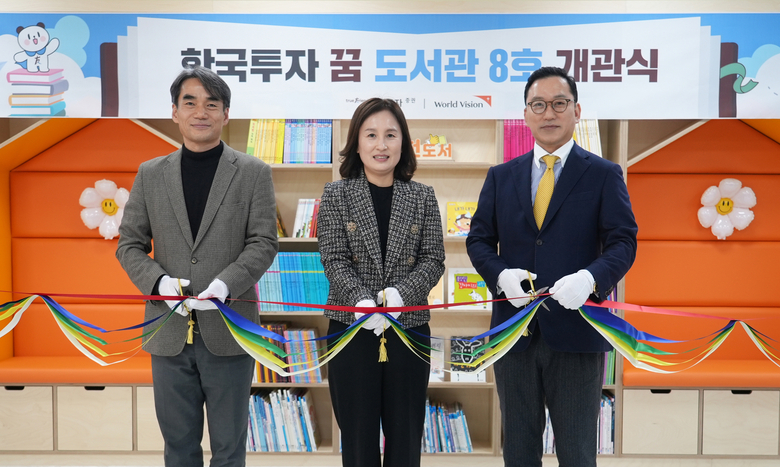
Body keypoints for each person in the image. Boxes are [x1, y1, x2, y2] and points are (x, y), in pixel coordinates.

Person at [466, 66, 638, 467]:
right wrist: (500, 275)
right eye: (538, 105)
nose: (549, 113)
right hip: (514, 334)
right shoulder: (501, 176)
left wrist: (590, 278)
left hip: (578, 332)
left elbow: (624, 242)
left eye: (559, 103)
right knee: (519, 451)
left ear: (577, 111)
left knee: (577, 452)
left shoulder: (603, 174)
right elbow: (478, 240)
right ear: (525, 114)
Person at [116, 65, 279, 466]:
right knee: (178, 449)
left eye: (212, 104)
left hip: (230, 330)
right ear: (175, 112)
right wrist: (159, 284)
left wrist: (226, 285)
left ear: (226, 114)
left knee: (229, 449)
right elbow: (129, 245)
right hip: (167, 332)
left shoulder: (253, 173)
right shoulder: (150, 174)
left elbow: (264, 242)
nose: (200, 112)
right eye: (190, 102)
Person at [317, 98, 445, 467]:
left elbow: (433, 259)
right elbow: (334, 258)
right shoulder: (336, 194)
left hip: (410, 329)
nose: (381, 144)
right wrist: (361, 300)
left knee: (406, 435)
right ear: (357, 143)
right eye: (371, 135)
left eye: (391, 134)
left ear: (403, 142)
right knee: (357, 438)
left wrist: (401, 295)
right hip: (351, 328)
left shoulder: (422, 196)